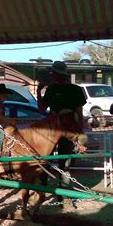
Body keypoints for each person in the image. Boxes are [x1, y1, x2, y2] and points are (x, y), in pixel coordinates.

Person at [37, 61, 86, 203]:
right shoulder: (70, 90)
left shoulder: (68, 90)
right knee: (54, 161)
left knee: (57, 161)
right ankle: (53, 192)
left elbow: (41, 109)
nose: (51, 75)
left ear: (57, 74)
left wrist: (39, 92)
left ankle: (53, 192)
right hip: (58, 130)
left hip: (61, 130)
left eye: (52, 73)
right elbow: (79, 113)